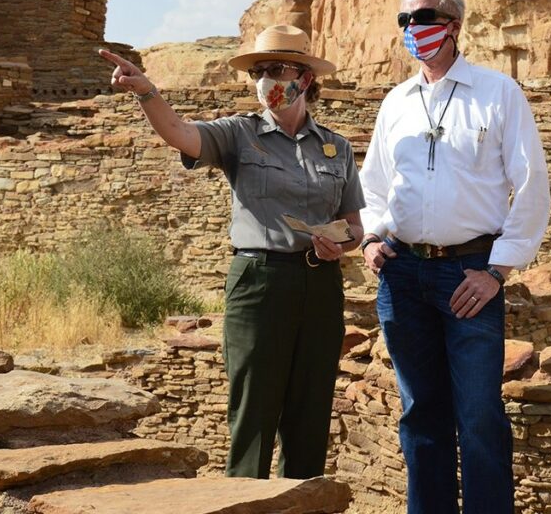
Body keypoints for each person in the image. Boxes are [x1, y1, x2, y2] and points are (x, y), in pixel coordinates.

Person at [99, 25, 365, 479]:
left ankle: (301, 506)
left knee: (311, 404)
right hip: (259, 279)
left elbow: (356, 227)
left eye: (275, 69)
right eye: (258, 71)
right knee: (254, 405)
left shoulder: (335, 147)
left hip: (320, 282)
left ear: (304, 77)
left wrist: (338, 244)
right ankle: (245, 502)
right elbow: (180, 133)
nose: (265, 80)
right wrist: (146, 92)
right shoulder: (239, 134)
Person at [358, 0, 551, 513]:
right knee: (419, 411)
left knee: (479, 413)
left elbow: (532, 184)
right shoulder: (396, 100)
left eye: (421, 17)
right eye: (403, 21)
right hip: (401, 272)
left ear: (453, 24)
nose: (411, 30)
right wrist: (372, 235)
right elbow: (372, 184)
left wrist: (498, 270)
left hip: (470, 274)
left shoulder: (498, 92)